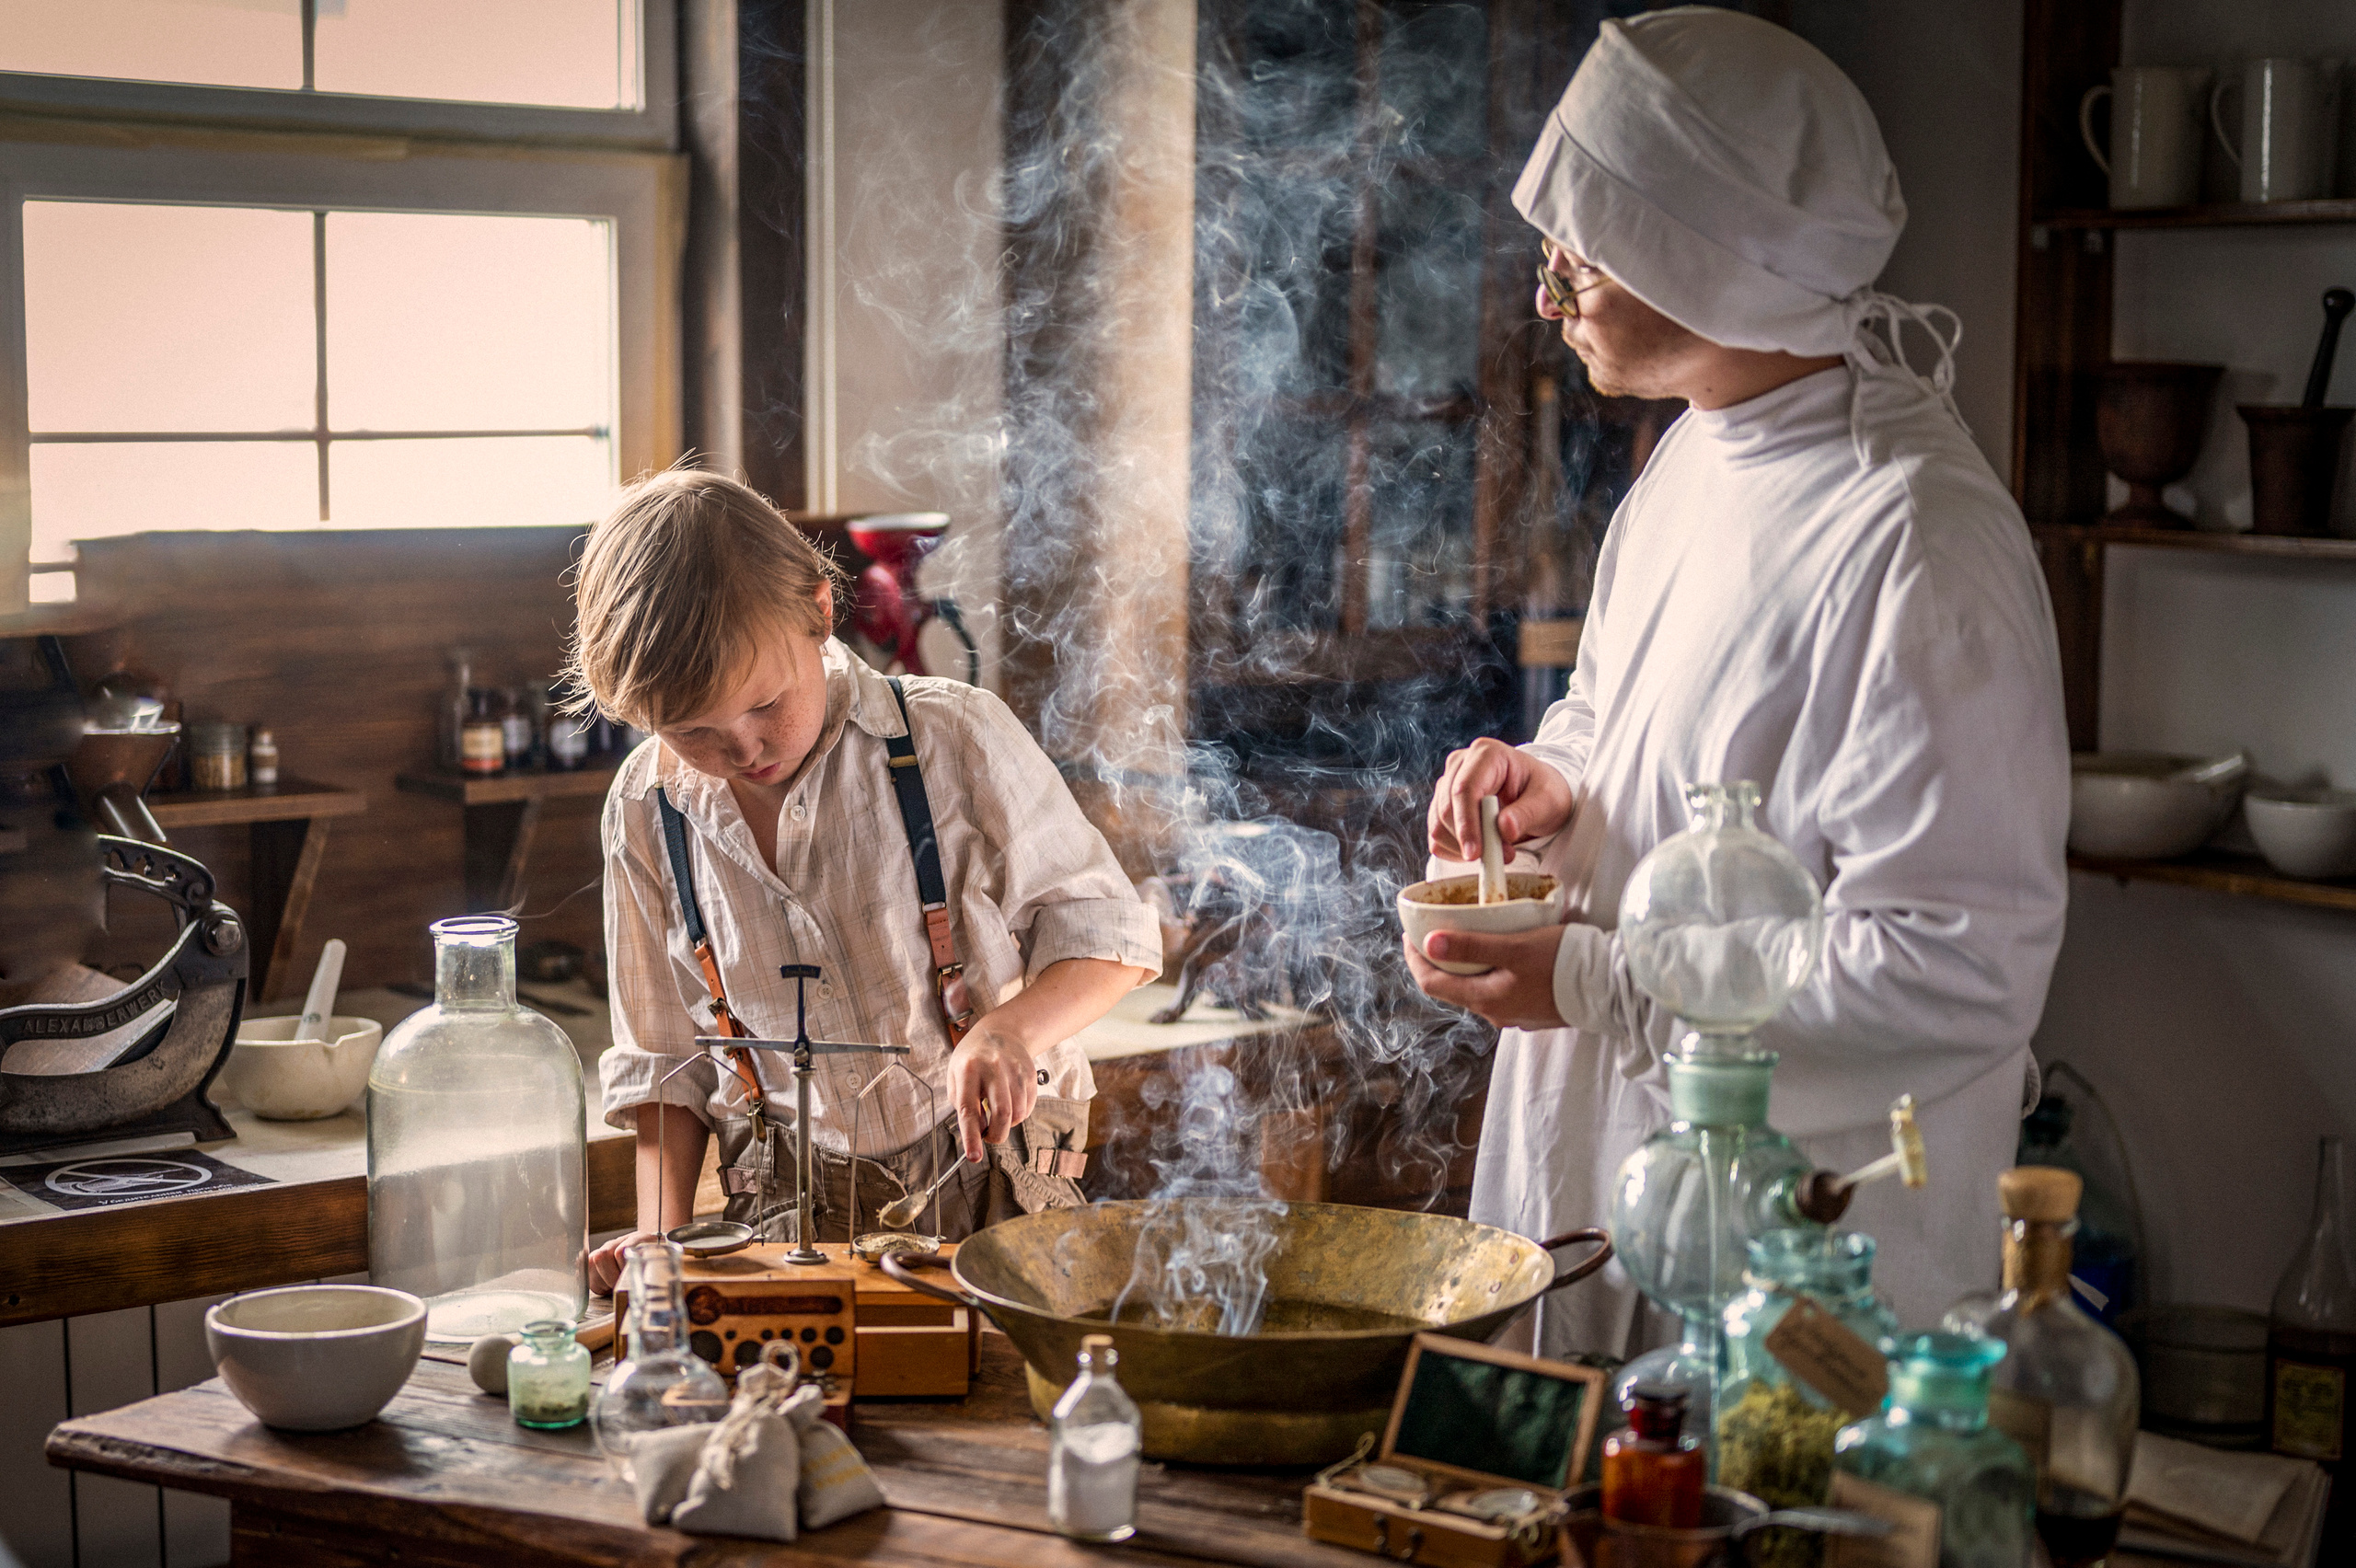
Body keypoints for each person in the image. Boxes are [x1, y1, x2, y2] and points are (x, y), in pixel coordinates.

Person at [1407, 8, 2067, 1352]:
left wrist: (1598, 987)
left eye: (1581, 261)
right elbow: (1623, 707)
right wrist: (1558, 777)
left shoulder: (1915, 543)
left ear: (1704, 263)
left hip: (1801, 1260)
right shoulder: (1697, 452)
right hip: (1609, 1159)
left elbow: (1953, 968)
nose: (1546, 298)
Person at [571, 470, 1160, 1293]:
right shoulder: (646, 808)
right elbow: (665, 1066)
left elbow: (1112, 938)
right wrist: (657, 1243)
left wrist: (1011, 1031)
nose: (742, 749)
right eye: (692, 730)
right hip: (785, 1209)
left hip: (995, 1182)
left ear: (819, 612)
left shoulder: (954, 738)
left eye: (765, 704)